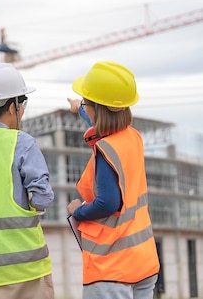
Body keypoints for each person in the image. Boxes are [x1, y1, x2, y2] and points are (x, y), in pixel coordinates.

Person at [66, 61, 160, 299]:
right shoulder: (132, 137)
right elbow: (102, 125)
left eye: (87, 103)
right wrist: (79, 109)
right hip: (143, 261)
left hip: (111, 267)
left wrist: (78, 212)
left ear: (97, 107)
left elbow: (108, 203)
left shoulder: (106, 150)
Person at [0, 62, 54, 299]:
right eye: (22, 103)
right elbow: (42, 198)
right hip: (27, 270)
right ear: (13, 106)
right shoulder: (22, 143)